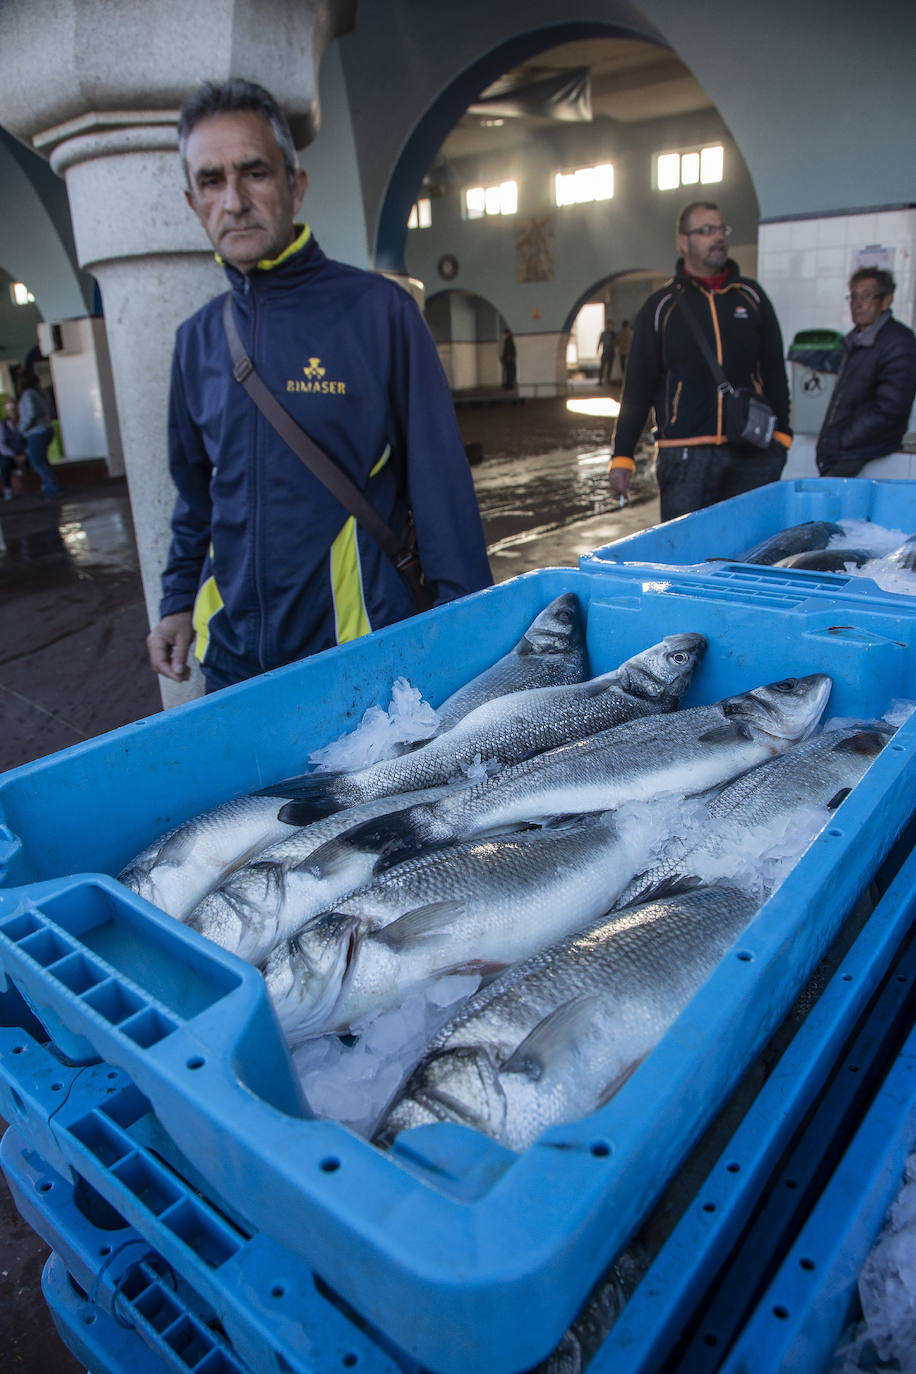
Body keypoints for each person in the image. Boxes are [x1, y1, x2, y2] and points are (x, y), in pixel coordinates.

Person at [147, 79, 492, 691]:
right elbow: (196, 498)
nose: (234, 200)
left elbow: (441, 486)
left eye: (254, 173)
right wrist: (178, 603)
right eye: (211, 180)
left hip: (359, 652)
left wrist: (467, 627)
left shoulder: (378, 313)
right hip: (231, 663)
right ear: (192, 201)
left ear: (295, 186)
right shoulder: (197, 339)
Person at [608, 202, 792, 522]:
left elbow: (775, 370)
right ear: (684, 242)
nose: (717, 237)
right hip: (684, 458)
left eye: (721, 229)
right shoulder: (661, 307)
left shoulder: (751, 297)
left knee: (750, 553)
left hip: (750, 452)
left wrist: (782, 437)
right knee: (688, 558)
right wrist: (622, 456)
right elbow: (638, 387)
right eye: (706, 230)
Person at [816, 268, 916, 478]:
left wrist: (843, 440)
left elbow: (890, 407)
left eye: (867, 296)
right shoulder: (857, 339)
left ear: (886, 300)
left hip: (859, 452)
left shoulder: (899, 342)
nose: (857, 303)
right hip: (841, 451)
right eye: (854, 296)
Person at [16, 370, 60, 500]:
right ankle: (48, 487)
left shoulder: (28, 394)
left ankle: (52, 488)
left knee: (37, 462)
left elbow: (31, 414)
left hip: (36, 431)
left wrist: (21, 428)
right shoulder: (41, 392)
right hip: (46, 428)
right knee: (43, 461)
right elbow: (49, 409)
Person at [0, 398, 28, 500]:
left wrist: (25, 453)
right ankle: (8, 489)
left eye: (13, 408)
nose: (11, 412)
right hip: (11, 454)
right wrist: (14, 455)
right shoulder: (3, 424)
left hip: (25, 453)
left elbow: (29, 439)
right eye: (9, 409)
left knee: (35, 458)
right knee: (4, 464)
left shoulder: (25, 421)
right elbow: (2, 444)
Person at [597, 320, 617, 386]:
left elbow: (616, 342)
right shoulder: (603, 333)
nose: (609, 326)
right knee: (602, 367)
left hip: (611, 352)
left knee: (610, 367)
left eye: (610, 325)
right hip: (605, 352)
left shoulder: (613, 334)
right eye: (608, 325)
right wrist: (597, 349)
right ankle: (600, 380)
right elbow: (600, 341)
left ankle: (608, 380)